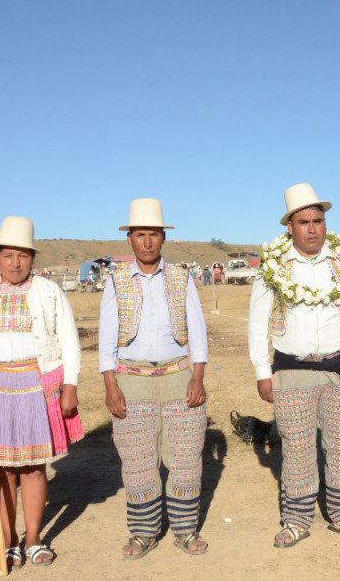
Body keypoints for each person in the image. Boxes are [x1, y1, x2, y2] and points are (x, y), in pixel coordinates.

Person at [248, 183, 340, 548]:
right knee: (298, 447)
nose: (313, 228)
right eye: (304, 221)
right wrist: (261, 371)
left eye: (318, 220)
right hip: (292, 369)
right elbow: (257, 324)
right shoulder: (273, 266)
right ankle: (297, 519)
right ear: (290, 226)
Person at [0, 217, 83, 567]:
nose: (16, 263)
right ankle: (7, 538)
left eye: (23, 255)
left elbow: (68, 342)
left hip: (36, 381)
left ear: (32, 258)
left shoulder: (48, 291)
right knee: (1, 469)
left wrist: (70, 385)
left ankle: (33, 539)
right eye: (9, 255)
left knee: (32, 467)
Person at [100, 199, 209, 559]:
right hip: (131, 379)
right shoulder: (116, 280)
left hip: (179, 375)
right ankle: (144, 533)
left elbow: (197, 329)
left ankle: (185, 530)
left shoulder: (181, 276)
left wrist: (198, 375)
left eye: (153, 235)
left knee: (185, 458)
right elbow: (106, 337)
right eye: (140, 235)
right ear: (129, 238)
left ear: (163, 239)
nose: (147, 242)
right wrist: (110, 384)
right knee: (137, 461)